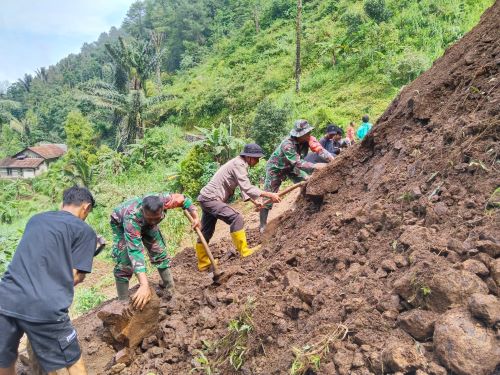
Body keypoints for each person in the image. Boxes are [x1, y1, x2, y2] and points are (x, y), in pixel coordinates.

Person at [0, 186, 97, 375]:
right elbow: (73, 277)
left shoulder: (36, 220)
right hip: (44, 306)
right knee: (72, 361)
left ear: (63, 203)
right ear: (86, 207)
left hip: (6, 298)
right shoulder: (85, 231)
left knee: (4, 358)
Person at [196, 144, 282, 271]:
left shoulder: (239, 164)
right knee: (236, 218)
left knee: (206, 230)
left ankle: (203, 263)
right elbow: (247, 187)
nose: (257, 162)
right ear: (248, 157)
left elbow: (243, 188)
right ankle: (244, 251)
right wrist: (269, 194)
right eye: (256, 158)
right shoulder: (239, 164)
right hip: (211, 199)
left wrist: (255, 202)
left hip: (205, 198)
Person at [110, 192, 200, 308]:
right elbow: (135, 251)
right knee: (125, 261)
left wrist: (196, 217)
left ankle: (171, 288)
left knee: (159, 251)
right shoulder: (131, 218)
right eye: (150, 218)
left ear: (163, 208)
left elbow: (185, 201)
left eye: (156, 219)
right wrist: (144, 284)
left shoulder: (166, 200)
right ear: (143, 211)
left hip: (144, 223)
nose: (153, 222)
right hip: (120, 223)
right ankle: (123, 302)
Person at [259, 119, 334, 232]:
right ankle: (262, 225)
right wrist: (315, 166)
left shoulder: (309, 140)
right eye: (306, 133)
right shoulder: (287, 145)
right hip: (276, 168)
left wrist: (333, 160)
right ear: (299, 134)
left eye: (309, 132)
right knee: (269, 196)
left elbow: (320, 150)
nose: (309, 134)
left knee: (307, 180)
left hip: (291, 167)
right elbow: (298, 163)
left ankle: (309, 204)